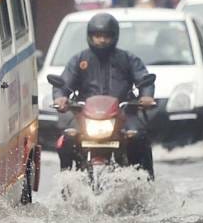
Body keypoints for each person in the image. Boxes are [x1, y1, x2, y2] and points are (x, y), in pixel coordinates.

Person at [52, 13, 157, 177]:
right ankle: (66, 181)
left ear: (114, 37)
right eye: (97, 36)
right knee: (67, 139)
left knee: (138, 138)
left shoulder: (127, 59)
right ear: (90, 36)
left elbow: (144, 79)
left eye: (106, 36)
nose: (101, 40)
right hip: (85, 115)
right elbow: (64, 84)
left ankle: (144, 180)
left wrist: (146, 96)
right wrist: (60, 97)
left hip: (123, 113)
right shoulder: (79, 60)